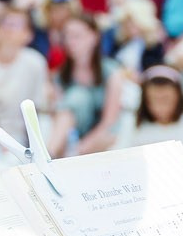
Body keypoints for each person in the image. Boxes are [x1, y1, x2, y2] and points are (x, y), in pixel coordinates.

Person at [49, 11, 127, 154]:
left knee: (78, 96)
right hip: (72, 136)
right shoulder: (60, 75)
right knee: (75, 99)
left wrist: (81, 149)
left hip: (103, 135)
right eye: (67, 36)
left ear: (94, 37)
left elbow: (109, 121)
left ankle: (53, 156)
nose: (70, 41)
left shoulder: (111, 72)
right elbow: (59, 117)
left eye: (77, 36)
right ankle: (49, 154)